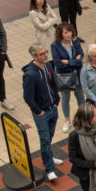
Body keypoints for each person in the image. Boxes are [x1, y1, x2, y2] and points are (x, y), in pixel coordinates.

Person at [22, 43, 62, 182]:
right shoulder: (30, 74)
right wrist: (38, 112)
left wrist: (57, 100)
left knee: (49, 137)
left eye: (45, 52)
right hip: (42, 114)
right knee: (45, 140)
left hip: (53, 108)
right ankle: (49, 169)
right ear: (34, 56)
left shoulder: (48, 66)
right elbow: (28, 97)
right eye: (41, 54)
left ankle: (48, 156)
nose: (45, 55)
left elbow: (53, 83)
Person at [52, 22, 86, 133]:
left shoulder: (75, 42)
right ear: (60, 34)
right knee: (65, 98)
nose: (69, 34)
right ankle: (67, 120)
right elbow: (58, 64)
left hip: (77, 75)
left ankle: (82, 119)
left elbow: (81, 58)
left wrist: (68, 62)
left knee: (80, 96)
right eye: (66, 32)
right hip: (64, 76)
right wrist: (74, 61)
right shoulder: (55, 46)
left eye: (69, 31)